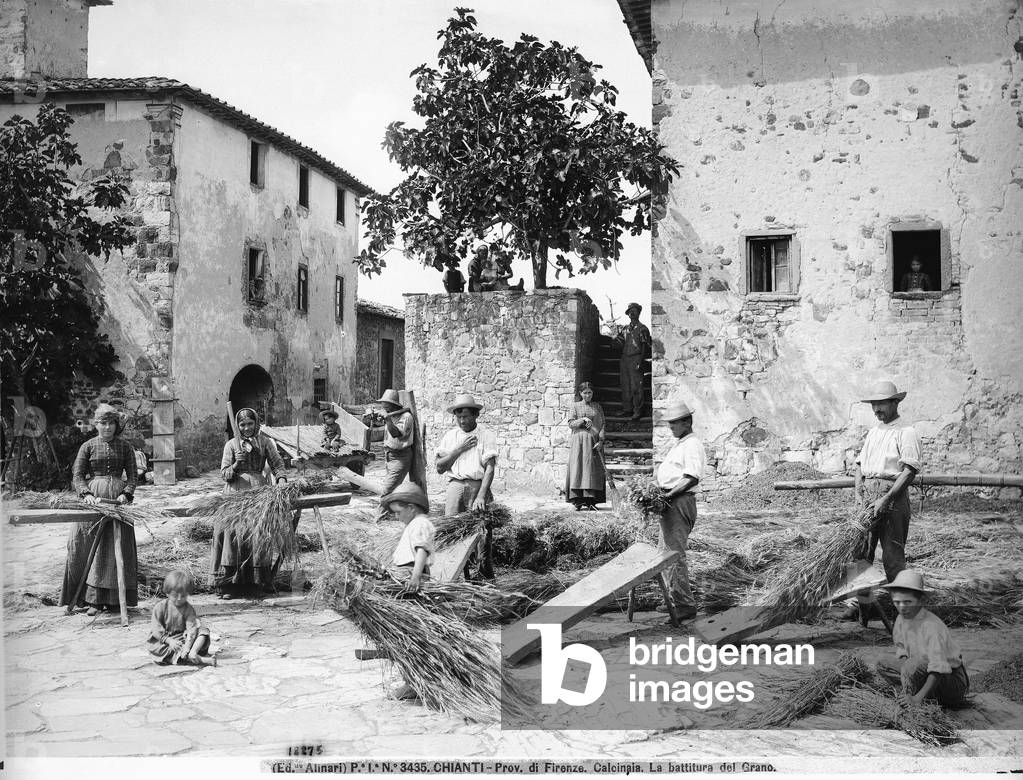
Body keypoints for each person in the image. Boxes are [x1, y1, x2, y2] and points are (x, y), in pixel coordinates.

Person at [60, 403, 139, 616]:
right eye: (102, 423)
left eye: (111, 423)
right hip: (94, 501)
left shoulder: (125, 447)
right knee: (88, 545)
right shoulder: (87, 446)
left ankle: (115, 599)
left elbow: (132, 475)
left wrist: (126, 494)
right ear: (96, 424)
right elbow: (77, 476)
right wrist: (86, 495)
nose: (107, 428)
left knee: (116, 549)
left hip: (119, 503)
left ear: (116, 424)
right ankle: (92, 600)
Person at [211, 407, 287, 599]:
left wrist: (281, 479)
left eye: (250, 424)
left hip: (258, 491)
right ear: (237, 425)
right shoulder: (231, 445)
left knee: (257, 532)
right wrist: (236, 464)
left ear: (256, 424)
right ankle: (231, 585)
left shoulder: (265, 442)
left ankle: (256, 583)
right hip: (235, 492)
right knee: (230, 532)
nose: (246, 428)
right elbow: (224, 474)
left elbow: (277, 464)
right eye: (242, 424)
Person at [854, 380, 922, 584]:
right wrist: (858, 494)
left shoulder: (906, 432)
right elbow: (859, 465)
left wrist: (887, 498)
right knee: (860, 553)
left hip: (892, 496)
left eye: (881, 403)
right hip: (867, 495)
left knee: (892, 557)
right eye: (873, 404)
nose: (876, 409)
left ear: (895, 403)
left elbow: (910, 470)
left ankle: (899, 608)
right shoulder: (873, 432)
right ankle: (863, 606)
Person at [876, 570, 969, 707]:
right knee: (882, 663)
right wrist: (907, 678)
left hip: (950, 680)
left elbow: (938, 668)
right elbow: (902, 650)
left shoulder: (932, 627)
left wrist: (917, 699)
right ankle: (911, 691)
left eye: (908, 602)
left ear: (921, 600)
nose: (902, 607)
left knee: (911, 666)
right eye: (897, 602)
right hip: (921, 668)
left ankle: (921, 697)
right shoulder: (901, 619)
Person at [654, 402, 705, 622]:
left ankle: (685, 605)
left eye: (675, 423)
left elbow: (691, 477)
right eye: (670, 424)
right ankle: (672, 598)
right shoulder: (680, 443)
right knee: (664, 554)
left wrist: (668, 496)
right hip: (670, 501)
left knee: (674, 556)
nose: (671, 427)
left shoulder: (692, 444)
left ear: (687, 422)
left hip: (678, 502)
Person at [436, 393, 498, 516]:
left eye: (466, 416)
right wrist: (459, 449)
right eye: (458, 417)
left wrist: (481, 496)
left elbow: (490, 468)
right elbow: (440, 468)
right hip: (455, 487)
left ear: (476, 415)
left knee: (479, 528)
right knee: (452, 528)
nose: (462, 421)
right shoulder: (450, 437)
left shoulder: (486, 435)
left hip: (477, 487)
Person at [148, 570, 214, 666]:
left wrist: (188, 646)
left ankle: (193, 653)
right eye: (175, 595)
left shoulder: (188, 609)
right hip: (165, 641)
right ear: (167, 593)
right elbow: (156, 630)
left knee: (203, 631)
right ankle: (202, 660)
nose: (179, 599)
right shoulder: (160, 607)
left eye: (183, 596)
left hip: (183, 638)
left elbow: (192, 628)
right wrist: (169, 641)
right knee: (168, 651)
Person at [370, 389, 416, 523]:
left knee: (387, 490)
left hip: (401, 457)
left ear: (393, 404)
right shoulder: (392, 415)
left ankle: (378, 520)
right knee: (392, 488)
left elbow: (396, 433)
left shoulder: (406, 417)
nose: (384, 406)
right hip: (389, 456)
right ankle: (393, 514)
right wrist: (379, 419)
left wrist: (388, 420)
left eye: (386, 403)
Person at [565, 382, 606, 511]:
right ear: (580, 394)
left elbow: (603, 423)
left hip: (594, 442)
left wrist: (601, 440)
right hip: (579, 443)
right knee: (579, 468)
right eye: (585, 393)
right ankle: (578, 500)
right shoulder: (575, 406)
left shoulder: (597, 406)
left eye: (590, 393)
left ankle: (591, 501)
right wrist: (582, 420)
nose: (587, 395)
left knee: (592, 470)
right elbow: (571, 424)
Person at [617, 302, 651, 420]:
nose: (632, 313)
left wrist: (640, 361)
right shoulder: (625, 329)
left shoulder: (642, 329)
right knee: (625, 385)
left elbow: (644, 347)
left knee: (636, 386)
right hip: (625, 358)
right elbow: (618, 342)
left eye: (634, 311)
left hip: (636, 357)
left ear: (638, 313)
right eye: (630, 311)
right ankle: (627, 409)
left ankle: (638, 411)